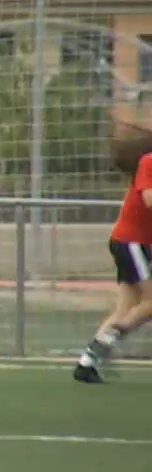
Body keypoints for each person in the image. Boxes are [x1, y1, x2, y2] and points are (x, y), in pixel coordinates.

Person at [73, 128, 152, 383]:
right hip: (131, 242)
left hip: (130, 242)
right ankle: (111, 340)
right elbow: (150, 200)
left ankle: (87, 363)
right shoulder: (149, 161)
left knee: (126, 307)